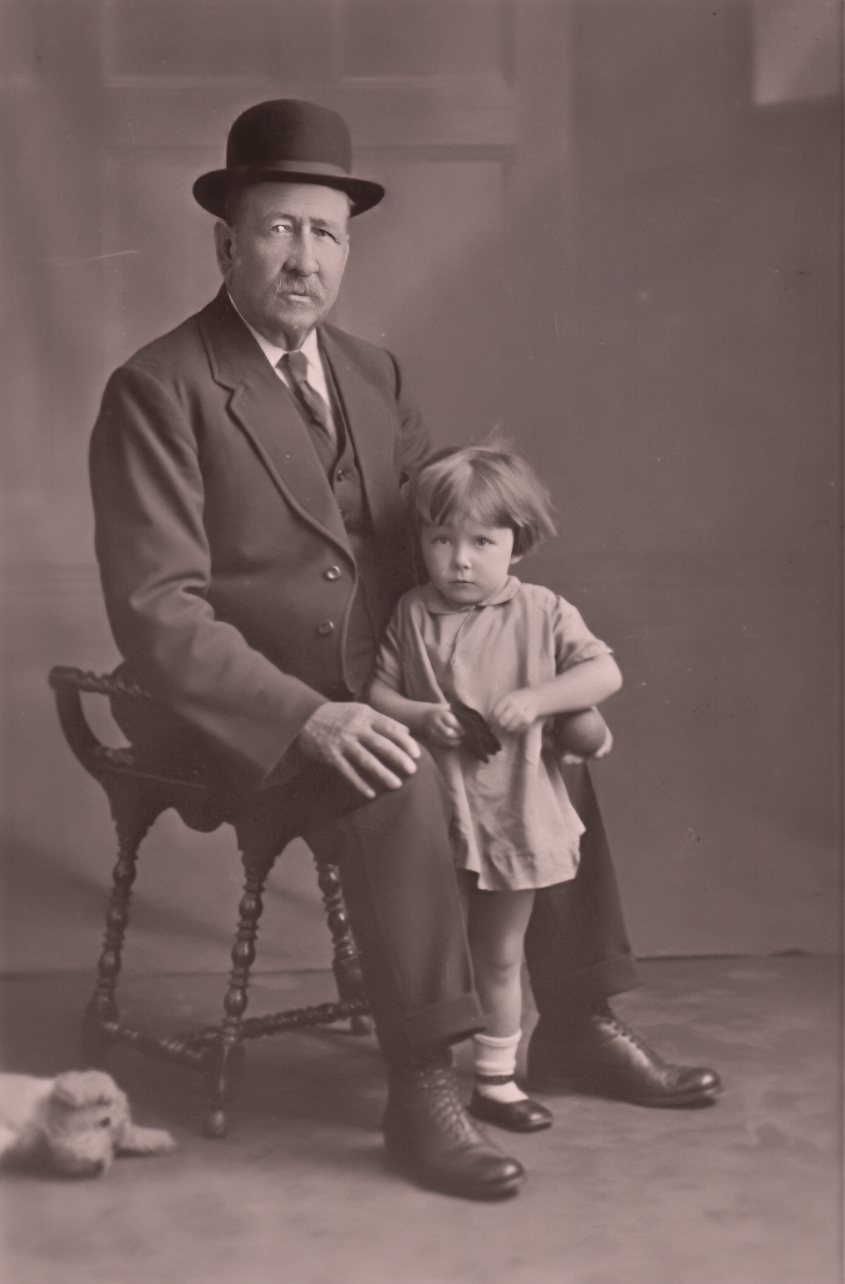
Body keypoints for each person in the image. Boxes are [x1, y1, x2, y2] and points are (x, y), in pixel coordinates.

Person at [88, 99, 720, 1200]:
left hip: (388, 674)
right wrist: (310, 714)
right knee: (392, 778)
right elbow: (157, 610)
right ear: (227, 242)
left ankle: (572, 1017)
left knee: (544, 740)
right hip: (242, 701)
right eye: (279, 229)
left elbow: (438, 544)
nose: (304, 258)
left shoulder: (372, 373)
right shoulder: (160, 386)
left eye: (326, 234)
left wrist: (517, 670)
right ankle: (423, 1079)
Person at [369, 445, 626, 1133]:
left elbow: (603, 675)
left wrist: (540, 698)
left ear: (518, 542)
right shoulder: (410, 613)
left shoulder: (541, 611)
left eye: (481, 542)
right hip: (441, 813)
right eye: (440, 540)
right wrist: (422, 716)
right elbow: (378, 692)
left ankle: (495, 1080)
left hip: (513, 812)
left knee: (500, 952)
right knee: (432, 950)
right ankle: (424, 1073)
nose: (458, 560)